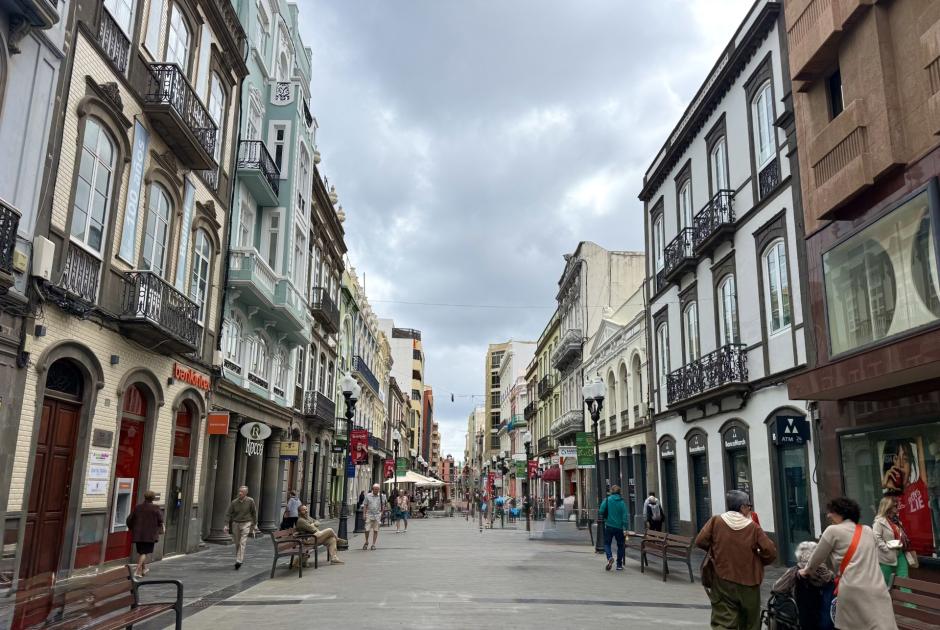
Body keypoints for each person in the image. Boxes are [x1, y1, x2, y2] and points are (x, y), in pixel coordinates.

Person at [800, 497, 897, 630]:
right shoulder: (868, 530)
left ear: (840, 513)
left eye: (831, 512)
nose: (828, 515)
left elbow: (815, 560)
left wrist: (805, 571)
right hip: (878, 589)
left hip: (853, 591)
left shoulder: (832, 531)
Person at [695, 489, 777, 630]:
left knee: (723, 619)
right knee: (751, 621)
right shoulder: (753, 527)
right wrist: (759, 561)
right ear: (742, 507)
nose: (749, 509)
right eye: (748, 506)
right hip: (749, 581)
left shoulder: (716, 521)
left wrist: (716, 550)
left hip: (722, 577)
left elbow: (700, 541)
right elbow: (770, 552)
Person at [770, 541, 834, 630]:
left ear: (800, 556)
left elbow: (776, 588)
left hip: (802, 618)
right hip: (824, 617)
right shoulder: (828, 574)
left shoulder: (795, 571)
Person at [873, 496, 911, 587]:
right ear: (887, 507)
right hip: (886, 557)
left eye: (897, 505)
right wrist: (886, 549)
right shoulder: (879, 522)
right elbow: (876, 537)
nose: (897, 508)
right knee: (886, 585)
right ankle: (887, 601)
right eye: (895, 506)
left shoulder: (896, 520)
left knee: (904, 582)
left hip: (900, 554)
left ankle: (908, 601)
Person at [126, 490, 164, 578]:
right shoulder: (156, 507)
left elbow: (129, 519)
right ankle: (137, 571)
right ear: (153, 498)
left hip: (138, 534)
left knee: (141, 552)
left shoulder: (138, 507)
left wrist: (133, 528)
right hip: (149, 535)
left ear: (145, 497)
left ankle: (144, 569)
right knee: (144, 553)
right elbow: (160, 520)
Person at [225, 485, 257, 570]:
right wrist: (226, 525)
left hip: (246, 523)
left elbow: (254, 513)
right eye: (239, 491)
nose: (240, 493)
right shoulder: (234, 502)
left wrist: (255, 524)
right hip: (236, 523)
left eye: (242, 492)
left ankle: (239, 560)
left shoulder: (250, 501)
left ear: (246, 493)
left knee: (242, 542)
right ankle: (239, 558)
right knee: (237, 543)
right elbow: (228, 513)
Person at [599, 485, 629, 571]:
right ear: (619, 492)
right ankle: (619, 565)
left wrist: (606, 517)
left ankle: (609, 557)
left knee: (607, 543)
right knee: (620, 545)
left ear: (611, 491)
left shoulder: (607, 500)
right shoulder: (622, 502)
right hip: (619, 528)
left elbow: (601, 511)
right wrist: (626, 528)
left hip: (609, 526)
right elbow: (625, 516)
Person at [362, 483, 387, 550]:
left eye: (377, 489)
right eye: (375, 489)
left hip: (377, 515)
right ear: (372, 489)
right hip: (369, 514)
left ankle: (373, 544)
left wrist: (381, 513)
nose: (376, 490)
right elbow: (365, 505)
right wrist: (364, 514)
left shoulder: (382, 496)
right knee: (367, 529)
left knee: (375, 530)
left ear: (379, 489)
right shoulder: (368, 496)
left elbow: (383, 505)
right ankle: (366, 541)